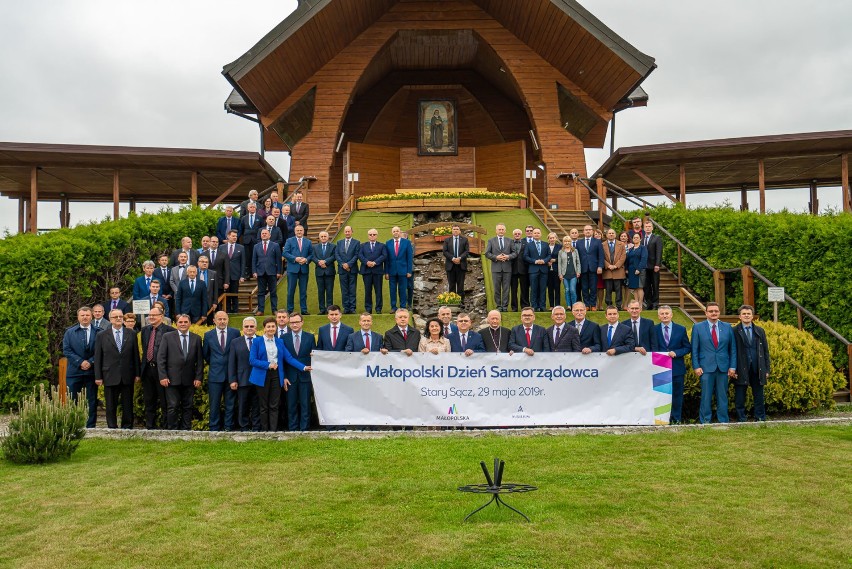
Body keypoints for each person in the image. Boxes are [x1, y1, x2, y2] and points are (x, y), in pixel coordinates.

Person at [249, 316, 309, 431]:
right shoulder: (257, 341)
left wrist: (304, 367)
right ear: (264, 328)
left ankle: (273, 430)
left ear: (276, 328)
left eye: (273, 326)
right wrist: (268, 365)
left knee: (274, 405)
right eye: (268, 327)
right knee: (263, 406)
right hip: (262, 376)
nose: (271, 329)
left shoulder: (280, 341)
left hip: (276, 376)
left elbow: (289, 358)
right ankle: (264, 430)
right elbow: (252, 360)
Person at [93, 309, 140, 429]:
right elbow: (98, 357)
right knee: (110, 404)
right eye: (115, 317)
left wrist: (137, 373)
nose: (118, 318)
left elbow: (136, 355)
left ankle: (127, 426)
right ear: (110, 319)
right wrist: (98, 376)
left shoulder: (131, 334)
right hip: (109, 374)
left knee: (127, 403)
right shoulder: (102, 335)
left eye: (120, 316)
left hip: (127, 374)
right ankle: (112, 426)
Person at [692, 302, 737, 424]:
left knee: (722, 396)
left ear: (719, 312)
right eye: (711, 311)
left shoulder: (727, 327)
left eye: (716, 311)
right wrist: (696, 366)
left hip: (723, 367)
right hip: (705, 368)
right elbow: (694, 349)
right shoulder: (698, 327)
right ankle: (705, 420)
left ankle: (723, 420)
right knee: (706, 396)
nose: (713, 313)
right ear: (706, 313)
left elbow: (732, 349)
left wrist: (732, 366)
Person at [157, 314, 204, 430]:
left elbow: (199, 361)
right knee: (173, 406)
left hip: (189, 379)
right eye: (180, 322)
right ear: (176, 323)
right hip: (171, 379)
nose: (183, 324)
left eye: (185, 322)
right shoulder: (167, 337)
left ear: (190, 323)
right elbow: (161, 358)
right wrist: (163, 376)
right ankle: (172, 430)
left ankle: (186, 430)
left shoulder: (196, 338)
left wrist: (198, 378)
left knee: (188, 406)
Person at [62, 306, 100, 428]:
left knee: (92, 400)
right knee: (72, 399)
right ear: (78, 317)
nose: (85, 317)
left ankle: (90, 425)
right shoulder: (69, 332)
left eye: (87, 315)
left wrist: (90, 361)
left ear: (91, 316)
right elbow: (66, 350)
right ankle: (73, 424)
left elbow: (101, 350)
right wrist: (80, 362)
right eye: (82, 315)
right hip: (74, 371)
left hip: (92, 371)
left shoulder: (99, 332)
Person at [732, 304, 771, 422]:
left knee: (759, 395)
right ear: (739, 316)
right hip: (740, 367)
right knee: (740, 395)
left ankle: (760, 417)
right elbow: (731, 351)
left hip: (757, 367)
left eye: (748, 314)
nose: (746, 316)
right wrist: (733, 368)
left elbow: (765, 351)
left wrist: (767, 369)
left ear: (752, 316)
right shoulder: (734, 331)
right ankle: (741, 418)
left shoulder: (760, 331)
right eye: (744, 314)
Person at [203, 311, 240, 431]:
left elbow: (237, 353)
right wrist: (215, 365)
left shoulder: (235, 333)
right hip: (215, 375)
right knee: (214, 404)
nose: (222, 321)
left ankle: (228, 427)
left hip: (231, 376)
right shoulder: (208, 335)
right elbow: (206, 355)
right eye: (219, 319)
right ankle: (214, 427)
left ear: (228, 319)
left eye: (224, 319)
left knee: (230, 404)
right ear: (214, 320)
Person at [654, 305, 691, 424]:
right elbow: (651, 347)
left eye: (667, 313)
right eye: (662, 314)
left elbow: (687, 347)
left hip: (677, 368)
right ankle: (661, 419)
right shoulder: (653, 330)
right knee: (661, 396)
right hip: (659, 368)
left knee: (676, 396)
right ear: (659, 316)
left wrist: (677, 352)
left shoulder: (680, 329)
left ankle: (676, 419)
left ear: (671, 315)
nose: (665, 315)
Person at [139, 304, 174, 429]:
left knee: (164, 401)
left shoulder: (170, 331)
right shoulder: (145, 330)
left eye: (154, 315)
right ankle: (150, 426)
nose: (151, 317)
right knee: (149, 400)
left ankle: (166, 427)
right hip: (147, 369)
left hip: (161, 371)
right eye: (150, 315)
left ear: (162, 316)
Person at [281, 313, 315, 431]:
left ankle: (304, 429)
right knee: (291, 405)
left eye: (297, 322)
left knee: (305, 404)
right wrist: (284, 376)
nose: (294, 325)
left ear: (302, 322)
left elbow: (314, 358)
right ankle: (293, 429)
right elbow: (282, 360)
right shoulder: (283, 338)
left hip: (305, 377)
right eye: (292, 323)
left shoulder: (310, 337)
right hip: (290, 377)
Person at [228, 317, 261, 432]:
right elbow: (232, 362)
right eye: (246, 326)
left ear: (256, 328)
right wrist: (232, 380)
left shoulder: (262, 340)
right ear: (243, 328)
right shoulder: (235, 342)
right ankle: (244, 427)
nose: (249, 328)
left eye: (251, 326)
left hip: (259, 379)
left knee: (257, 405)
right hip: (242, 379)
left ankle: (256, 427)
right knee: (243, 405)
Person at [484, 223, 516, 312]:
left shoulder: (510, 241)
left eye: (502, 229)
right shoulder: (491, 241)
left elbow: (514, 253)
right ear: (496, 231)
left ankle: (505, 306)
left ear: (505, 231)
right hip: (496, 268)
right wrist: (496, 257)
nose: (501, 231)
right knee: (497, 288)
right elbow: (487, 253)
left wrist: (508, 256)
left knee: (506, 289)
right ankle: (498, 306)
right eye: (499, 229)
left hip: (507, 268)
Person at [283, 225, 313, 315]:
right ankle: (290, 309)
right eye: (297, 230)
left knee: (303, 291)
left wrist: (306, 259)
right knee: (291, 290)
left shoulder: (308, 242)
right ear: (295, 231)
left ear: (303, 231)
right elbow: (285, 253)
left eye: (301, 230)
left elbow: (311, 254)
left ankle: (304, 310)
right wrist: (295, 258)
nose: (299, 232)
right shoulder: (289, 241)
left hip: (304, 269)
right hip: (292, 269)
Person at [253, 228, 283, 316]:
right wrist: (254, 271)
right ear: (260, 235)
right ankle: (260, 310)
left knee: (273, 292)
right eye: (263, 233)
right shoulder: (256, 246)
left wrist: (279, 271)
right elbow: (254, 260)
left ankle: (274, 310)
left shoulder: (275, 245)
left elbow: (278, 260)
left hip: (272, 272)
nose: (264, 235)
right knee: (261, 292)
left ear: (270, 235)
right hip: (260, 272)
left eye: (266, 233)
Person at [384, 226, 413, 312]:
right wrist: (386, 272)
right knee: (392, 290)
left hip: (403, 271)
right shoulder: (388, 243)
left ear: (400, 232)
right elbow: (387, 259)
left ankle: (403, 307)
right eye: (394, 231)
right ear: (392, 233)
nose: (396, 233)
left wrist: (409, 271)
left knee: (402, 289)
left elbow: (409, 258)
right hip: (392, 271)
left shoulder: (407, 243)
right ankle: (393, 307)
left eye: (397, 231)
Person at [358, 228, 386, 314]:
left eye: (374, 234)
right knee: (367, 290)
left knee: (378, 290)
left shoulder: (382, 246)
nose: (372, 236)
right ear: (368, 236)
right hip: (366, 271)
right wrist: (367, 262)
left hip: (377, 271)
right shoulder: (363, 245)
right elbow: (360, 255)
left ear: (377, 236)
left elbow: (384, 255)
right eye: (370, 234)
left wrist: (375, 262)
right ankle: (368, 309)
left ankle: (378, 309)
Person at [576, 225, 604, 310]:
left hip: (594, 268)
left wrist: (600, 266)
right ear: (583, 232)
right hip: (583, 268)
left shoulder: (597, 242)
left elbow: (601, 255)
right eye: (586, 230)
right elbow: (577, 257)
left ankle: (593, 305)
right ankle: (587, 305)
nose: (588, 231)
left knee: (593, 287)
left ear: (592, 231)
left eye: (589, 230)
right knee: (584, 287)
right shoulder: (579, 242)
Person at [523, 228, 550, 312]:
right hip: (533, 270)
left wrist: (544, 261)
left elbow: (549, 255)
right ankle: (534, 306)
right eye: (535, 233)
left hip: (543, 270)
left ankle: (542, 306)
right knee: (534, 289)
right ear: (533, 234)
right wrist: (535, 261)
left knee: (542, 289)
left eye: (538, 233)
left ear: (540, 234)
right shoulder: (528, 245)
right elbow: (525, 256)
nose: (536, 234)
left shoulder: (546, 244)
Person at [335, 225, 360, 314]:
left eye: (349, 231)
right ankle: (346, 308)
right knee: (344, 289)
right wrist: (343, 264)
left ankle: (352, 308)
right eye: (346, 231)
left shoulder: (356, 242)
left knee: (352, 289)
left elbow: (356, 255)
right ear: (344, 232)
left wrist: (349, 264)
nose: (347, 233)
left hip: (352, 269)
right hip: (342, 270)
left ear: (352, 232)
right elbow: (337, 254)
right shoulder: (339, 242)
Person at [442, 225, 469, 306]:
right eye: (454, 229)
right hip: (450, 265)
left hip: (461, 265)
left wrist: (459, 258)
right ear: (452, 231)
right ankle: (452, 301)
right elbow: (445, 251)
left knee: (460, 284)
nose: (455, 231)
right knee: (451, 284)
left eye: (457, 229)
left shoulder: (464, 240)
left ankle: (461, 302)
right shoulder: (447, 240)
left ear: (460, 231)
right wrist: (453, 258)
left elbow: (467, 251)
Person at [220, 230, 246, 313]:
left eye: (236, 236)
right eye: (233, 236)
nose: (235, 237)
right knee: (226, 294)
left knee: (235, 294)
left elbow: (243, 262)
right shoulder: (221, 247)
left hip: (236, 274)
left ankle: (235, 310)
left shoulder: (241, 247)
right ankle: (227, 310)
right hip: (225, 275)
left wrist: (242, 276)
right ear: (228, 236)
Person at [313, 231, 336, 314]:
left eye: (325, 236)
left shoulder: (333, 246)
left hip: (329, 271)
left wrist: (325, 261)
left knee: (329, 291)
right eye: (321, 236)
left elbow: (334, 256)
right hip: (319, 272)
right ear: (319, 238)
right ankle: (322, 309)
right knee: (320, 291)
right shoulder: (315, 247)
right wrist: (319, 262)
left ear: (328, 237)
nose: (323, 238)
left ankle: (329, 309)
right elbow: (313, 256)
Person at [602, 228, 626, 308]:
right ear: (607, 235)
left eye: (613, 233)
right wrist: (608, 265)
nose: (611, 234)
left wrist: (616, 265)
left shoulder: (621, 244)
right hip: (607, 270)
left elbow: (623, 256)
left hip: (618, 270)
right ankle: (609, 305)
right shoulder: (602, 245)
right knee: (608, 289)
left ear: (615, 235)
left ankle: (619, 305)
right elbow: (601, 257)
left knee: (618, 289)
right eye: (609, 233)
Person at [643, 221, 663, 309]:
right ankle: (649, 303)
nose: (647, 228)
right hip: (644, 266)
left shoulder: (657, 238)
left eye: (649, 226)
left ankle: (655, 304)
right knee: (646, 286)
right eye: (646, 226)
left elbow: (659, 252)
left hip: (654, 266)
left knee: (655, 285)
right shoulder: (641, 239)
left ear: (652, 228)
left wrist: (657, 264)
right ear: (644, 228)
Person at [625, 233, 647, 310]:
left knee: (640, 287)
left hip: (640, 270)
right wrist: (626, 269)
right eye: (634, 237)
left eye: (637, 237)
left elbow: (644, 259)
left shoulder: (643, 248)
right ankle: (636, 303)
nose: (636, 239)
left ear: (640, 239)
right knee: (634, 288)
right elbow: (627, 260)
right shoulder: (631, 249)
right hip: (631, 270)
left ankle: (640, 304)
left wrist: (639, 269)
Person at [240, 202, 263, 277]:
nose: (252, 208)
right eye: (251, 207)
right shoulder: (244, 218)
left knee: (256, 256)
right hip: (246, 240)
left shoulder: (259, 217)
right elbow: (242, 229)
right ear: (248, 208)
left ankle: (255, 272)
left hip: (256, 240)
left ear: (256, 208)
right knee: (247, 257)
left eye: (253, 207)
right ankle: (248, 273)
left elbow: (262, 228)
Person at [558, 236, 581, 309]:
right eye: (565, 241)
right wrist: (560, 274)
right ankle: (568, 305)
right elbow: (559, 264)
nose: (567, 243)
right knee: (567, 290)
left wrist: (578, 271)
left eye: (568, 241)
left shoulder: (575, 251)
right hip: (565, 274)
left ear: (570, 242)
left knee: (572, 290)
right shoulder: (561, 252)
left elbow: (578, 262)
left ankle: (574, 305)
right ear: (563, 242)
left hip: (573, 273)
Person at [196, 255, 219, 323]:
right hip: (196, 302)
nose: (205, 263)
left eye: (206, 262)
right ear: (198, 263)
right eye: (202, 262)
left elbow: (215, 289)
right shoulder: (193, 272)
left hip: (209, 302)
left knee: (209, 322)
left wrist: (215, 302)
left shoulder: (213, 273)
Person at [510, 228, 528, 311]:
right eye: (515, 234)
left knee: (524, 289)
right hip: (512, 269)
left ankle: (524, 306)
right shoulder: (509, 243)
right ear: (513, 235)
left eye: (518, 234)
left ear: (521, 235)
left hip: (523, 269)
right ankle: (514, 307)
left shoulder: (526, 243)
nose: (517, 235)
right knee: (513, 290)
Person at [545, 232, 562, 309]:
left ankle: (557, 304)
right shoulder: (545, 247)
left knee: (557, 287)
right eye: (550, 238)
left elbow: (562, 258)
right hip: (547, 270)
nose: (552, 239)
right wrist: (546, 262)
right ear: (548, 239)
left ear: (556, 238)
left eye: (553, 238)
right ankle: (551, 305)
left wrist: (555, 260)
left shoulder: (560, 247)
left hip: (556, 270)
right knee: (550, 288)